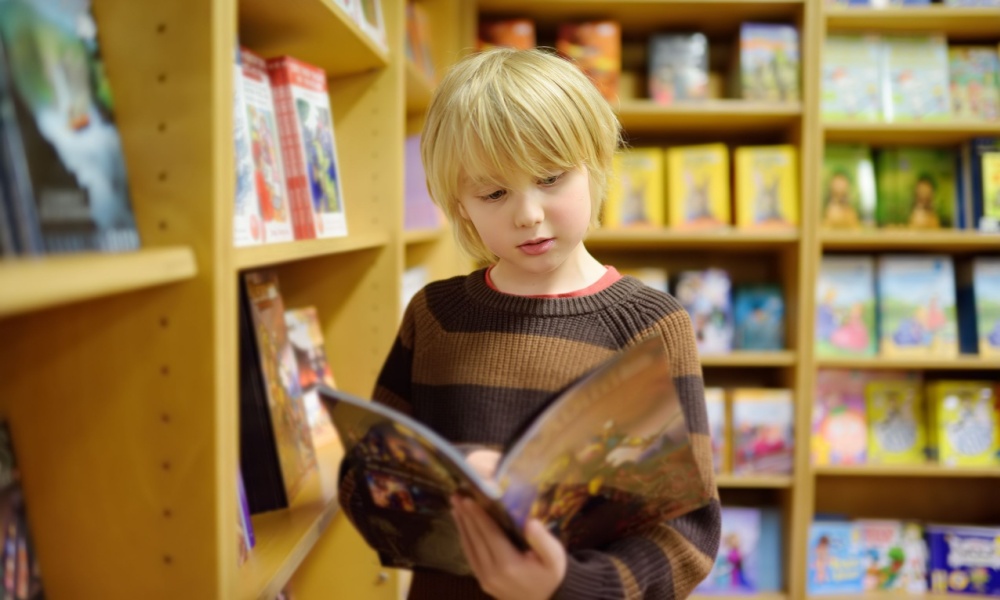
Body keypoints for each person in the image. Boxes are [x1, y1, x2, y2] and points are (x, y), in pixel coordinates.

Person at [339, 47, 720, 600]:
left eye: (550, 178)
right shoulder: (435, 316)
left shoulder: (651, 325)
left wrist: (567, 584)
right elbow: (365, 479)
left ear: (594, 165)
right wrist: (457, 475)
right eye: (494, 192)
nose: (528, 213)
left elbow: (687, 535)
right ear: (460, 205)